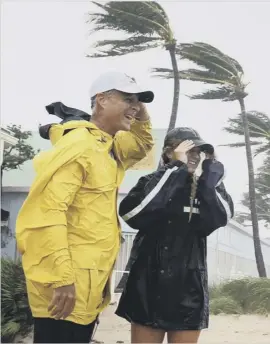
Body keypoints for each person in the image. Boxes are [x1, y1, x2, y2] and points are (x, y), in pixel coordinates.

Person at [16, 71, 154, 343]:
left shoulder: (108, 145)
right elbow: (46, 213)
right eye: (126, 98)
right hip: (66, 287)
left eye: (137, 101)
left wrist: (139, 106)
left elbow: (142, 145)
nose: (135, 107)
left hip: (87, 284)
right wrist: (61, 278)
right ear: (101, 100)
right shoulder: (80, 146)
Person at [115, 127, 234, 344]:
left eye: (199, 151)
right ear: (169, 152)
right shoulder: (152, 182)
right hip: (148, 287)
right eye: (188, 150)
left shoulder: (205, 190)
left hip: (188, 289)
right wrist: (175, 169)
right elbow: (132, 213)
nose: (194, 156)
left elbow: (220, 217)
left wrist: (210, 177)